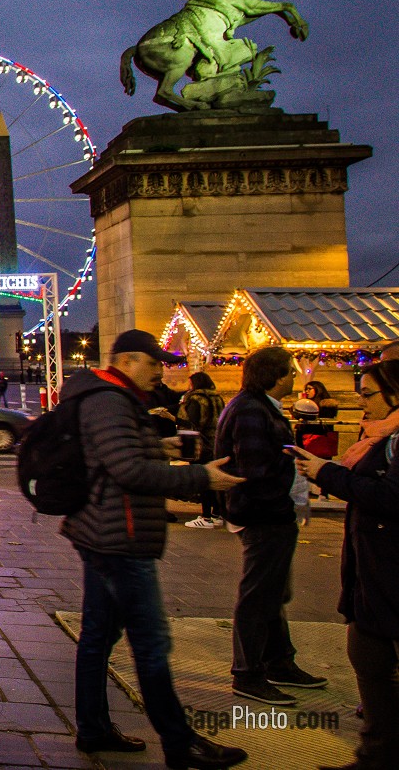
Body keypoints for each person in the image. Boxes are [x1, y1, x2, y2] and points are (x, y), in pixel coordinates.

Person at [61, 329, 247, 770]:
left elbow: (111, 455)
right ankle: (180, 742)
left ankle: (94, 728)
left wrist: (157, 445)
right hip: (119, 536)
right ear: (126, 361)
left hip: (101, 530)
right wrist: (201, 479)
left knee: (98, 637)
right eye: (153, 361)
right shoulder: (109, 400)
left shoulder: (107, 397)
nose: (161, 370)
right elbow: (126, 470)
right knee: (150, 643)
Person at [294, 362, 399, 770]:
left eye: (369, 393)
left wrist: (328, 473)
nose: (360, 400)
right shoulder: (377, 437)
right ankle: (374, 755)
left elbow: (391, 498)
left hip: (390, 573)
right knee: (368, 660)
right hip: (371, 575)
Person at [215, 346, 326, 706]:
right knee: (259, 595)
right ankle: (248, 673)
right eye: (291, 373)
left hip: (268, 513)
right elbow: (254, 470)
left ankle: (279, 661)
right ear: (277, 377)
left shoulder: (256, 406)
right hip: (263, 515)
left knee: (273, 592)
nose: (295, 378)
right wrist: (281, 503)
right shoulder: (251, 410)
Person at [178, 371, 227, 529]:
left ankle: (205, 517)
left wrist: (174, 419)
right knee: (215, 478)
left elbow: (192, 422)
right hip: (217, 443)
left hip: (201, 443)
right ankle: (217, 513)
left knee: (203, 479)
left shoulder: (195, 399)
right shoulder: (217, 397)